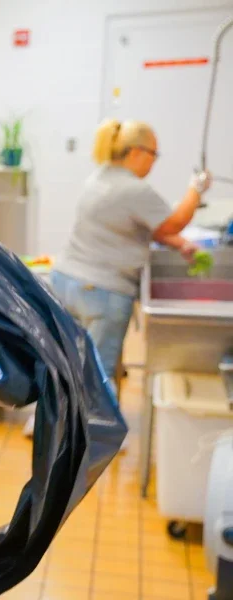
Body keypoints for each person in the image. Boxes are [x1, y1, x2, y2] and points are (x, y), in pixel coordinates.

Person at [23, 118, 212, 438]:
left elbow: (141, 227)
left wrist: (178, 244)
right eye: (154, 154)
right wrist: (196, 188)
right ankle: (96, 437)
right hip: (103, 291)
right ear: (136, 152)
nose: (154, 161)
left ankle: (44, 421)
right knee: (98, 370)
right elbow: (174, 222)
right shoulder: (133, 189)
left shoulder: (100, 178)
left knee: (64, 359)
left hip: (66, 282)